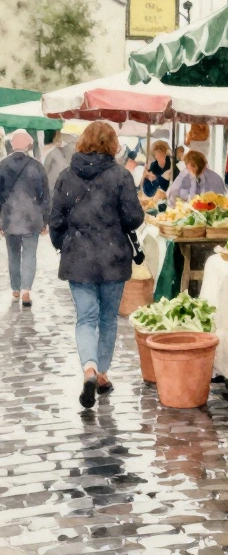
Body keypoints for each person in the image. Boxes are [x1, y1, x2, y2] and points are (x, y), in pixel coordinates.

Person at [48, 122, 144, 409]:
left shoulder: (66, 176)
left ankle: (89, 369)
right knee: (107, 318)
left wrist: (62, 244)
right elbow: (133, 218)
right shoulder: (121, 176)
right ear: (113, 144)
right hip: (113, 257)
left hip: (78, 257)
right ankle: (102, 373)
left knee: (85, 318)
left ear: (82, 142)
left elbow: (55, 220)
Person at [0, 130, 50, 308]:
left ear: (12, 145)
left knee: (13, 255)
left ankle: (15, 289)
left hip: (9, 218)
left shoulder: (2, 165)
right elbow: (45, 196)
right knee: (29, 255)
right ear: (29, 145)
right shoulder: (37, 166)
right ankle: (26, 291)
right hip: (32, 219)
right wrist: (45, 220)